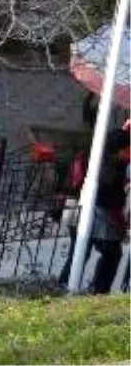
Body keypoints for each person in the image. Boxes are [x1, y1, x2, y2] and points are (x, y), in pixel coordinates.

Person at [57, 103, 131, 294]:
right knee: (111, 254)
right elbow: (112, 194)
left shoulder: (93, 155)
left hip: (80, 210)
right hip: (100, 214)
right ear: (119, 150)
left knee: (80, 252)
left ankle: (65, 284)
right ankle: (99, 290)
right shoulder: (116, 167)